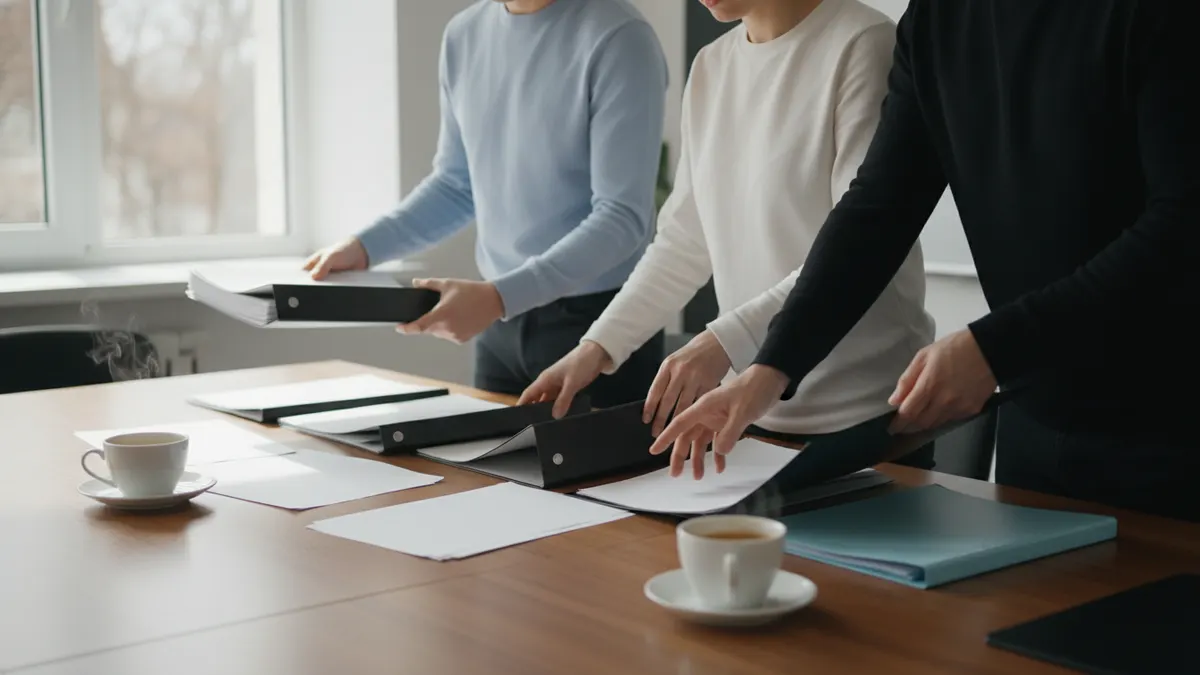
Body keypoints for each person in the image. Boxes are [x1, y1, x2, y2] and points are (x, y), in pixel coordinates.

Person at [652, 1, 1200, 520]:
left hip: (1170, 423)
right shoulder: (938, 18)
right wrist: (768, 371)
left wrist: (993, 348)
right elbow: (876, 211)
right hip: (1035, 419)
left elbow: (1180, 228)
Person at [520, 0, 936, 478]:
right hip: (750, 416)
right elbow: (683, 242)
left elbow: (863, 246)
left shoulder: (863, 43)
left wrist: (725, 340)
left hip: (866, 423)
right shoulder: (711, 66)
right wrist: (595, 349)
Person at [304, 0, 668, 407]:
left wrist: (500, 296)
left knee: (599, 473)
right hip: (500, 328)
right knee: (488, 471)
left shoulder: (619, 37)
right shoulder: (464, 34)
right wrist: (365, 246)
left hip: (597, 326)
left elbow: (622, 218)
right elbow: (458, 186)